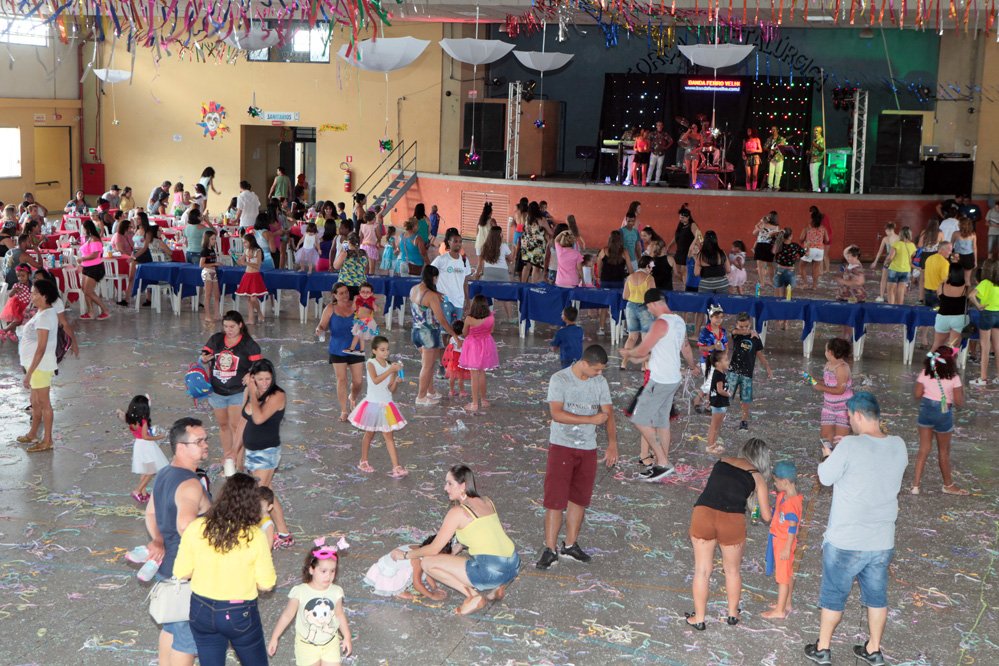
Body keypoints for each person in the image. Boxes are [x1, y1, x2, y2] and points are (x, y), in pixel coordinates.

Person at [805, 392, 907, 666]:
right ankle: (873, 649)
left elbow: (825, 478)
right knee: (876, 598)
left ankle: (823, 648)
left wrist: (829, 456)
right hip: (881, 540)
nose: (849, 422)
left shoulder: (850, 445)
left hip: (846, 540)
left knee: (833, 596)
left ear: (859, 416)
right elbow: (874, 469)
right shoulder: (898, 445)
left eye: (850, 417)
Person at [173, 472, 276, 665]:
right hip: (239, 611)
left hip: (201, 609)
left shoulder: (197, 527)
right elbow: (267, 584)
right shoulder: (255, 535)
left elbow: (181, 572)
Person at [390, 464, 520, 615]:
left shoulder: (457, 512)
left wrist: (405, 555)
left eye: (450, 483)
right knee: (483, 559)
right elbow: (487, 535)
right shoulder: (487, 501)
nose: (445, 488)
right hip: (513, 564)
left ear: (463, 486)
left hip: (491, 571)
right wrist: (454, 552)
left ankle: (473, 596)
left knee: (427, 562)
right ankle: (497, 586)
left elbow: (434, 549)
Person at [536, 345, 618, 570]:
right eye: (596, 369)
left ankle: (570, 545)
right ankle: (550, 549)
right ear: (584, 363)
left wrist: (612, 444)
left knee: (579, 498)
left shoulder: (600, 382)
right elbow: (556, 413)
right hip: (561, 446)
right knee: (555, 500)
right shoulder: (560, 379)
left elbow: (608, 414)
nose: (599, 374)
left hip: (588, 448)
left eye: (602, 370)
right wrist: (590, 420)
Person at [145, 417, 213, 666]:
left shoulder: (164, 473)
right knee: (187, 641)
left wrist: (158, 539)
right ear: (181, 447)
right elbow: (186, 526)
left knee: (171, 628)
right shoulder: (190, 485)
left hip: (167, 570)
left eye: (205, 439)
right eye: (199, 441)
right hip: (186, 577)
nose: (206, 445)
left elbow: (151, 513)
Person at [686, 438, 772, 630]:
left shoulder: (723, 461)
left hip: (703, 514)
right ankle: (733, 614)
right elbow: (766, 516)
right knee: (732, 571)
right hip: (732, 520)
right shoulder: (757, 477)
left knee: (702, 570)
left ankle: (699, 618)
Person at [620, 289, 699, 479]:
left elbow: (642, 350)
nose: (649, 311)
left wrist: (628, 353)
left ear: (654, 303)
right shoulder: (679, 321)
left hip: (660, 380)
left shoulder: (660, 323)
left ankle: (662, 461)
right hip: (673, 379)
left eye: (648, 307)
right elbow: (686, 348)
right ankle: (661, 464)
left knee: (640, 419)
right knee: (662, 422)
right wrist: (692, 366)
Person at [267, 539, 353, 664]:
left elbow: (339, 614)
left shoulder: (336, 591)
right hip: (306, 647)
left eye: (332, 571)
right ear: (311, 569)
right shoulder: (300, 592)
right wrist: (275, 637)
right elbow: (287, 615)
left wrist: (347, 636)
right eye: (323, 571)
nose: (328, 575)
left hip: (330, 644)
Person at [241, 358, 294, 548]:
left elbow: (259, 418)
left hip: (267, 452)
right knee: (267, 493)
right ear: (253, 378)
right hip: (252, 451)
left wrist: (253, 393)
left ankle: (253, 538)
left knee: (257, 497)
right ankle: (284, 534)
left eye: (268, 379)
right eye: (260, 379)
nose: (264, 383)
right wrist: (234, 450)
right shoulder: (251, 390)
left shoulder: (278, 395)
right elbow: (243, 419)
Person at [200, 311, 263, 469]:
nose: (228, 330)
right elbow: (205, 354)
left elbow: (259, 366)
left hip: (238, 392)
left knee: (236, 427)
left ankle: (239, 464)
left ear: (240, 325)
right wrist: (204, 358)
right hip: (217, 391)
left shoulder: (249, 344)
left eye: (232, 326)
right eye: (226, 326)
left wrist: (251, 374)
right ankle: (228, 460)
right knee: (223, 425)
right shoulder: (216, 339)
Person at [348, 335, 408, 477]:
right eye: (382, 349)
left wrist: (396, 381)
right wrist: (391, 371)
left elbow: (390, 389)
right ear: (374, 351)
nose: (386, 352)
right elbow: (375, 380)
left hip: (387, 405)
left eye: (387, 349)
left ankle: (396, 466)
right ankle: (363, 460)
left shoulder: (390, 366)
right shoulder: (371, 363)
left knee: (389, 436)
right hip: (372, 404)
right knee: (369, 433)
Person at [911, 347, 967, 496]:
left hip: (926, 412)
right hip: (943, 414)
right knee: (943, 451)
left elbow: (917, 394)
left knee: (923, 449)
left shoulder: (925, 373)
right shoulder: (954, 377)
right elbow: (959, 401)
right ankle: (948, 485)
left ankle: (915, 485)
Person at [15, 280, 61, 452]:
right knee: (35, 402)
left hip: (40, 367)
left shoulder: (45, 317)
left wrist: (29, 374)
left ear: (45, 296)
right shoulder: (42, 312)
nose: (32, 296)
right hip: (35, 366)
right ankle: (33, 433)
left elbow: (41, 348)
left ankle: (47, 440)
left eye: (35, 293)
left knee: (44, 403)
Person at [410, 265, 457, 405]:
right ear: (434, 277)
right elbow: (442, 319)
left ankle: (430, 391)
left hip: (416, 331)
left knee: (428, 365)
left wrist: (436, 295)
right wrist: (453, 334)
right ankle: (421, 397)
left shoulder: (414, 289)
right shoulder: (431, 296)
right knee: (427, 366)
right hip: (429, 334)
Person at [316, 283, 365, 421]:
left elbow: (366, 322)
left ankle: (352, 397)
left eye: (346, 292)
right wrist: (319, 329)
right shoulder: (330, 308)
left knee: (358, 381)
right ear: (335, 295)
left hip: (355, 349)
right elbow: (322, 325)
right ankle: (344, 410)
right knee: (341, 379)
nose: (345, 295)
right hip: (337, 349)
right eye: (341, 293)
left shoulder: (356, 306)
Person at [761, 460, 802, 620]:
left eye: (776, 481)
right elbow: (778, 513)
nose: (775, 484)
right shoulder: (784, 496)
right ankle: (787, 603)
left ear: (784, 482)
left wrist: (786, 547)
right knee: (788, 573)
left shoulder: (791, 504)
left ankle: (780, 610)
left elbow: (792, 528)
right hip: (779, 539)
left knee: (782, 577)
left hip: (783, 542)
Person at [728, 313, 772, 431]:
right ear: (736, 325)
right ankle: (720, 413)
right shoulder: (736, 335)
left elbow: (759, 354)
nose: (743, 329)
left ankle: (744, 420)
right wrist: (749, 331)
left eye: (746, 326)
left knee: (745, 399)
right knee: (726, 394)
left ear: (750, 324)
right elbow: (734, 331)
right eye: (741, 326)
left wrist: (767, 367)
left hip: (747, 374)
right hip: (733, 371)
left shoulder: (755, 338)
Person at [811, 337, 854, 460]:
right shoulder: (828, 365)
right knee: (825, 435)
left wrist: (820, 388)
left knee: (840, 439)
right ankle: (828, 458)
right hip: (828, 406)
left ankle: (839, 460)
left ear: (830, 352)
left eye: (825, 350)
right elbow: (827, 382)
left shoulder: (842, 368)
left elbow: (840, 390)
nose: (825, 352)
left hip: (844, 408)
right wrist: (814, 381)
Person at [124, 394, 168, 503]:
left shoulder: (130, 419)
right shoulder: (143, 421)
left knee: (144, 470)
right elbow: (145, 436)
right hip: (146, 446)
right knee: (151, 470)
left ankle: (143, 494)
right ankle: (137, 490)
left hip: (138, 445)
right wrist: (160, 436)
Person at [459, 295, 498, 413]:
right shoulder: (491, 317)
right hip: (486, 345)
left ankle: (475, 403)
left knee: (474, 375)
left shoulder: (469, 319)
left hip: (473, 347)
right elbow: (491, 330)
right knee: (482, 373)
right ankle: (484, 400)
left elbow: (464, 333)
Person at [594, 229, 632, 335]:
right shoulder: (624, 252)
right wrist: (632, 277)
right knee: (620, 305)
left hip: (605, 281)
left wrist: (598, 277)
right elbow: (630, 268)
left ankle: (601, 328)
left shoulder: (604, 251)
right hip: (619, 282)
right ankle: (621, 329)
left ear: (610, 239)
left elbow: (598, 265)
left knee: (604, 305)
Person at [620, 255, 655, 369]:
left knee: (631, 338)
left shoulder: (630, 277)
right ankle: (644, 366)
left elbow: (625, 296)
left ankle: (623, 363)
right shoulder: (649, 278)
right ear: (647, 266)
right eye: (651, 266)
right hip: (644, 308)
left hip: (630, 307)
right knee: (645, 339)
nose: (652, 269)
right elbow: (652, 297)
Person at [432, 230, 472, 323]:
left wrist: (467, 300)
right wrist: (435, 293)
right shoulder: (441, 259)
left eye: (460, 242)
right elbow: (428, 274)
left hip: (459, 302)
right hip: (444, 301)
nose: (458, 244)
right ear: (449, 242)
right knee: (444, 329)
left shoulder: (464, 260)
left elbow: (465, 282)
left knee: (456, 329)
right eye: (455, 241)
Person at [969, 259, 999, 386]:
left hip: (987, 314)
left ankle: (983, 377)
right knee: (997, 347)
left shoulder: (985, 283)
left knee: (985, 347)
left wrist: (978, 306)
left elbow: (971, 295)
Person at [75, 220, 110, 320]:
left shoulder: (95, 239)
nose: (82, 230)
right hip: (87, 267)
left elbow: (95, 255)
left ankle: (105, 310)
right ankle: (90, 312)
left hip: (95, 268)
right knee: (85, 290)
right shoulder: (89, 238)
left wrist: (82, 259)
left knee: (88, 291)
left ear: (87, 229)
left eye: (83, 228)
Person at [932, 264, 970, 349]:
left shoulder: (942, 285)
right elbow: (969, 300)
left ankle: (932, 357)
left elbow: (939, 297)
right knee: (953, 347)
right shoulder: (966, 287)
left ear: (950, 273)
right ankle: (952, 358)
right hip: (959, 319)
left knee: (936, 345)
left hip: (943, 317)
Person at [236, 233, 268, 325]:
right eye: (243, 242)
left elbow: (258, 266)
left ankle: (259, 312)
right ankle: (251, 319)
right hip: (247, 275)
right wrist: (239, 261)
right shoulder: (246, 250)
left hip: (255, 276)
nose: (244, 244)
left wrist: (246, 263)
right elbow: (241, 260)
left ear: (251, 241)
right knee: (249, 299)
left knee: (253, 298)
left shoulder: (258, 251)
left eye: (245, 242)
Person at [705, 350, 731, 456]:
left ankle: (714, 444)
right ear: (718, 363)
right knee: (714, 426)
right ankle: (710, 446)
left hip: (721, 403)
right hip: (718, 404)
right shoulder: (718, 375)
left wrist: (708, 399)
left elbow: (712, 389)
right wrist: (728, 394)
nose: (728, 361)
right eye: (726, 360)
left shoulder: (721, 373)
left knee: (717, 426)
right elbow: (719, 390)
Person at [885, 226, 917, 304]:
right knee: (901, 291)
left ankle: (892, 307)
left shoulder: (897, 244)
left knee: (891, 291)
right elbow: (913, 255)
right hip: (906, 271)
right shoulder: (912, 245)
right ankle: (900, 307)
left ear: (901, 234)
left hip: (894, 269)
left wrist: (886, 263)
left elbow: (890, 257)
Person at [871, 222, 900, 302]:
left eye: (886, 230)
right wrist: (875, 261)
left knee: (887, 279)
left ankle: (884, 296)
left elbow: (880, 251)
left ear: (889, 230)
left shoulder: (893, 238)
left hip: (891, 260)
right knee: (890, 279)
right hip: (893, 260)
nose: (885, 232)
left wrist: (875, 262)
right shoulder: (895, 238)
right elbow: (880, 251)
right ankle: (886, 296)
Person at [799, 212, 829, 289]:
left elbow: (801, 238)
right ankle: (814, 286)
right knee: (816, 268)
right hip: (820, 250)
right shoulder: (823, 228)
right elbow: (827, 240)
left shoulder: (807, 228)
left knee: (802, 267)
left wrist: (804, 241)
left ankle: (805, 284)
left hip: (809, 249)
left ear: (812, 219)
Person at [752, 212, 780, 289]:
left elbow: (754, 233)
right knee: (769, 265)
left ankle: (762, 283)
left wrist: (759, 225)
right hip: (769, 246)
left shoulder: (762, 224)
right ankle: (771, 282)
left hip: (760, 245)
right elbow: (777, 238)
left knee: (760, 266)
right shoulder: (776, 227)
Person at [922, 240, 952, 309]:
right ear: (941, 250)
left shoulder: (929, 258)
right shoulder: (945, 263)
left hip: (927, 291)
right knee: (938, 313)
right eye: (949, 250)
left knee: (928, 312)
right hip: (937, 293)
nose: (950, 252)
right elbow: (945, 280)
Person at [443, 321, 469, 397]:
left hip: (452, 359)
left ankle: (451, 391)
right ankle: (462, 392)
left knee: (452, 377)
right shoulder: (463, 340)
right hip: (459, 360)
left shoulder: (451, 338)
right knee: (460, 377)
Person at [952, 217, 977, 284]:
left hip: (956, 256)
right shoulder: (973, 234)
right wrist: (975, 261)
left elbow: (951, 246)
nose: (958, 224)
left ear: (961, 225)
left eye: (959, 223)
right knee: (967, 279)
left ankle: (957, 291)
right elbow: (974, 248)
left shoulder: (955, 233)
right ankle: (966, 291)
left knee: (956, 278)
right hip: (969, 256)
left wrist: (951, 257)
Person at [648, 119, 674, 185]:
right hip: (653, 152)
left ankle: (657, 181)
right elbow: (648, 140)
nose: (659, 126)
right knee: (651, 166)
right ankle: (648, 181)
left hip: (661, 153)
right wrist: (650, 147)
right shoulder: (652, 133)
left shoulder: (665, 134)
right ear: (656, 126)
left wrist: (666, 147)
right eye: (658, 125)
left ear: (662, 126)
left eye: (660, 125)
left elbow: (671, 141)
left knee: (659, 167)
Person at [763, 126, 787, 191]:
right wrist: (769, 150)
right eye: (772, 129)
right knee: (771, 172)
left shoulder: (781, 138)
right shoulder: (769, 139)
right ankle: (770, 186)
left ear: (777, 130)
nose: (773, 131)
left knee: (778, 172)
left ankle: (776, 186)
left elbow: (784, 147)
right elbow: (764, 147)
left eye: (774, 129)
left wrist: (781, 145)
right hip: (772, 157)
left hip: (779, 157)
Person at [680, 123, 703, 187]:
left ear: (697, 128)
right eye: (692, 127)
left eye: (695, 127)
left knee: (694, 169)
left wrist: (696, 149)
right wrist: (688, 130)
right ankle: (687, 183)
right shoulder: (689, 134)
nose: (694, 128)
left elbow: (701, 146)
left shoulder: (700, 135)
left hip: (695, 152)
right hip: (688, 152)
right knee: (687, 169)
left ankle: (694, 183)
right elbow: (682, 139)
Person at [809, 126, 825, 192]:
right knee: (812, 175)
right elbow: (812, 151)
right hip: (812, 159)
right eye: (814, 130)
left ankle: (816, 189)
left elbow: (822, 149)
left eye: (816, 130)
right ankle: (814, 188)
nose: (815, 132)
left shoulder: (821, 139)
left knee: (814, 174)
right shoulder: (814, 140)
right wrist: (809, 152)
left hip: (818, 159)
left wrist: (815, 145)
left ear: (820, 131)